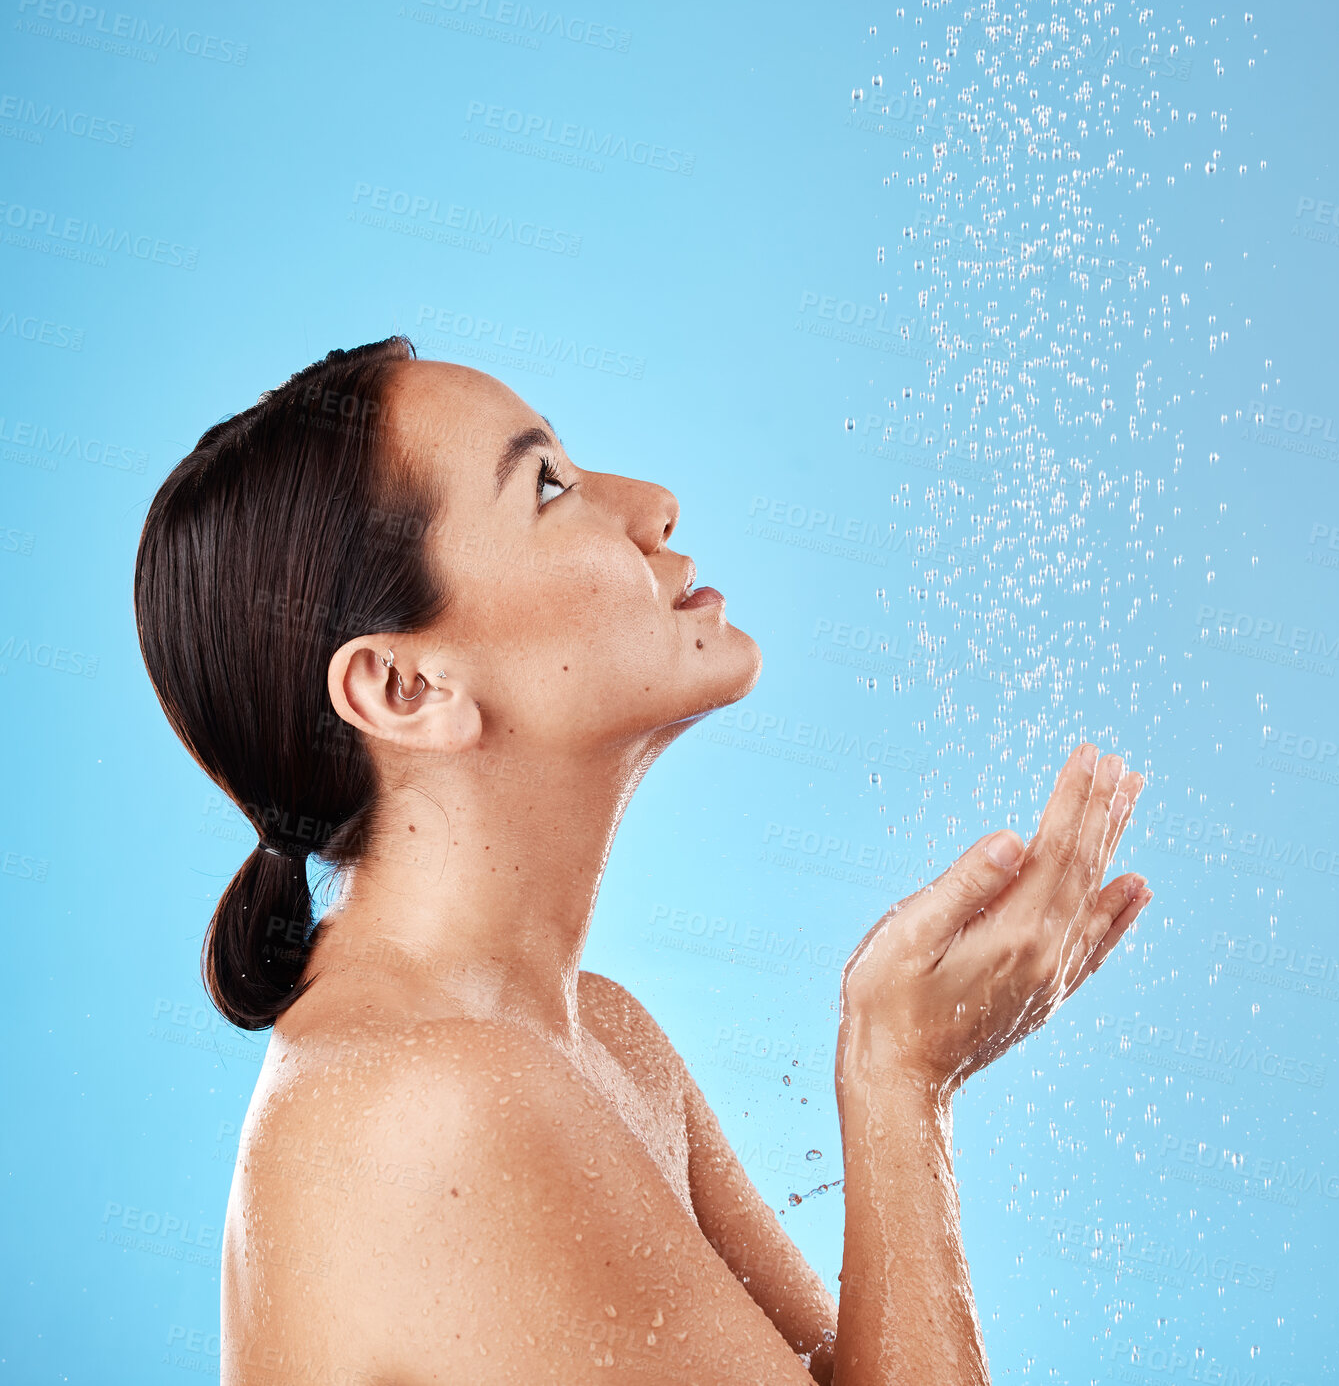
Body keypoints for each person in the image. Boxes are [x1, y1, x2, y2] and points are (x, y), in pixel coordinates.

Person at [133, 336, 1149, 1385]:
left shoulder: (598, 1037)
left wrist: (901, 1065)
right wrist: (899, 1079)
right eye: (545, 485)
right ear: (405, 688)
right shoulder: (436, 1104)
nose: (653, 504)